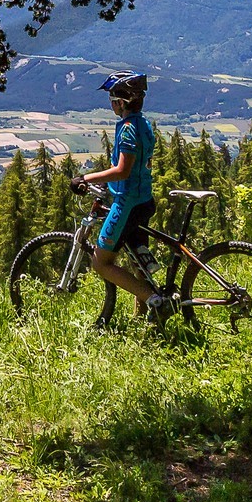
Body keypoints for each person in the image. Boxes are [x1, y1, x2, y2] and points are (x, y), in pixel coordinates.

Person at [70, 71, 168, 321]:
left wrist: (86, 178)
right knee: (137, 259)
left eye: (112, 98)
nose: (111, 104)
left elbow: (122, 171)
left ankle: (154, 300)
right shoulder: (143, 124)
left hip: (128, 203)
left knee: (101, 263)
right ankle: (144, 314)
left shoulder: (127, 130)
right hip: (144, 199)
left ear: (121, 102)